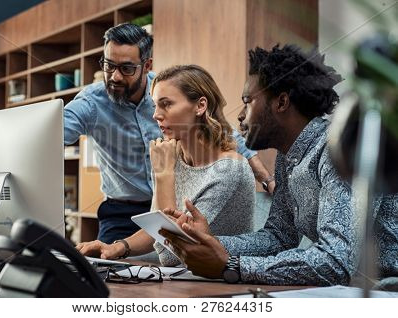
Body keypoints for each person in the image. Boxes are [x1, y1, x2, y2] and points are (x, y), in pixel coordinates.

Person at [160, 44, 398, 285]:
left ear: (282, 102)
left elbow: (335, 261)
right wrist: (211, 242)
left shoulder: (337, 150)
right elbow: (278, 237)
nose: (240, 116)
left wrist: (231, 266)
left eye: (248, 101)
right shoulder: (287, 158)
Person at [64, 23, 273, 244]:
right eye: (109, 65)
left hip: (172, 201)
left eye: (126, 68)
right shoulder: (91, 103)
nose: (114, 76)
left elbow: (226, 133)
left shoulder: (167, 90)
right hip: (120, 213)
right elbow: (52, 135)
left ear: (146, 66)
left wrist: (267, 178)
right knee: (106, 271)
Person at [76, 64, 256, 264]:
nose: (156, 115)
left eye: (166, 104)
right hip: (186, 277)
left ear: (200, 106)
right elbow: (157, 226)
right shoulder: (173, 156)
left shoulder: (230, 170)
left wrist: (163, 174)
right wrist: (118, 247)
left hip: (221, 283)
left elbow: (170, 254)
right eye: (155, 106)